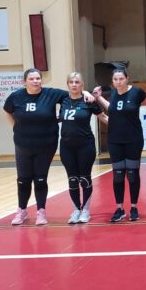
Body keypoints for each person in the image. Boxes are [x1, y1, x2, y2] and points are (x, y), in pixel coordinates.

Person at [4, 68, 87, 226]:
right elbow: (7, 111)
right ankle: (22, 210)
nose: (35, 81)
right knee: (23, 180)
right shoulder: (16, 96)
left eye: (38, 78)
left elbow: (73, 92)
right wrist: (16, 126)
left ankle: (41, 211)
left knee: (40, 179)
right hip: (23, 145)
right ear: (25, 82)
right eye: (32, 79)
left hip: (46, 145)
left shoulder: (51, 94)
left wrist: (86, 93)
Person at [93, 67, 146, 223]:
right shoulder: (113, 94)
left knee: (132, 174)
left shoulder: (137, 92)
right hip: (115, 141)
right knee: (118, 175)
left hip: (133, 140)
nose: (118, 82)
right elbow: (112, 109)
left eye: (121, 79)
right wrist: (99, 98)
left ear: (127, 78)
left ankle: (134, 207)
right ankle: (119, 209)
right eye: (115, 79)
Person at [60, 72, 107, 224]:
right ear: (67, 84)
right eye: (71, 82)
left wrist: (121, 125)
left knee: (84, 179)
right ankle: (76, 209)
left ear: (82, 84)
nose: (74, 84)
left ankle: (85, 210)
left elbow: (103, 117)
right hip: (66, 146)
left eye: (77, 82)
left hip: (85, 145)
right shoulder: (63, 99)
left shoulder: (89, 101)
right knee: (72, 179)